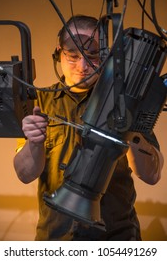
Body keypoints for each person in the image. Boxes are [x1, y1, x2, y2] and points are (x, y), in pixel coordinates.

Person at [13, 14, 164, 241]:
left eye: (92, 56)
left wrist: (128, 130)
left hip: (116, 239)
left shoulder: (126, 100)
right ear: (58, 54)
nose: (83, 66)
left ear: (105, 56)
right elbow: (25, 175)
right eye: (73, 56)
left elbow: (151, 175)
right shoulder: (39, 103)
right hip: (57, 239)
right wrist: (34, 143)